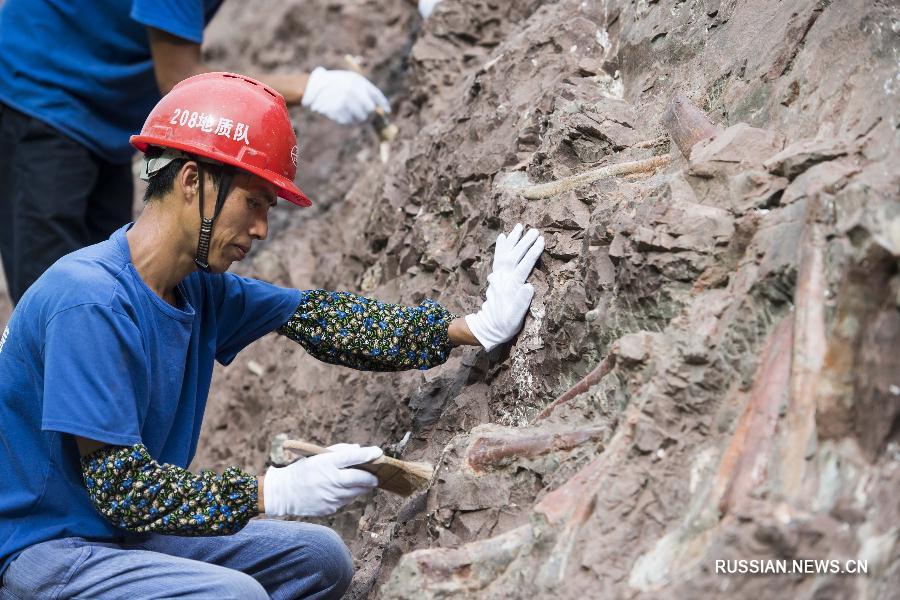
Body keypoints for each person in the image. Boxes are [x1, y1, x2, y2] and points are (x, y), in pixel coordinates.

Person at [0, 72, 545, 599]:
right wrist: (274, 491)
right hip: (50, 551)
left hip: (123, 539)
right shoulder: (90, 301)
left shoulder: (197, 289)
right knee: (232, 595)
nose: (261, 228)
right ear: (192, 181)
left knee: (320, 560)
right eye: (253, 201)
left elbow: (327, 321)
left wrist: (474, 327)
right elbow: (125, 491)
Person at [0, 0, 393, 304]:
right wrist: (308, 87)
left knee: (112, 283)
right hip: (38, 90)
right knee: (54, 293)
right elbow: (178, 79)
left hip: (105, 108)